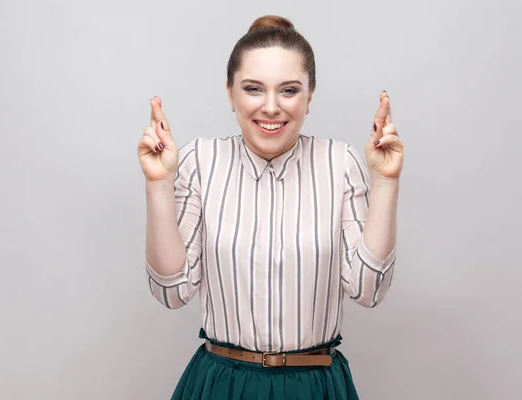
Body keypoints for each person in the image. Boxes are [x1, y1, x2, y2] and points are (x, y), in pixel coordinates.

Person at [138, 14, 404, 400]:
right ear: (230, 93)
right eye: (253, 89)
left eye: (289, 90)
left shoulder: (340, 163)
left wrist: (386, 181)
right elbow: (171, 292)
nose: (271, 107)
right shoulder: (200, 161)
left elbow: (369, 290)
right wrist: (159, 183)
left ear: (309, 96)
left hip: (313, 386)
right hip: (222, 385)